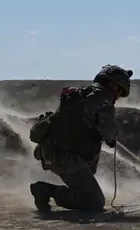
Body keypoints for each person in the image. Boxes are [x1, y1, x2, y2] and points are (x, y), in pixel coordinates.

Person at [29, 64, 133, 212]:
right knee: (94, 202)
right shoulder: (102, 101)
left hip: (51, 152)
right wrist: (112, 138)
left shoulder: (79, 94)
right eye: (120, 92)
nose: (118, 97)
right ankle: (46, 191)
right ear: (114, 86)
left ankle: (48, 191)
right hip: (67, 157)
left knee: (85, 179)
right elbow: (110, 133)